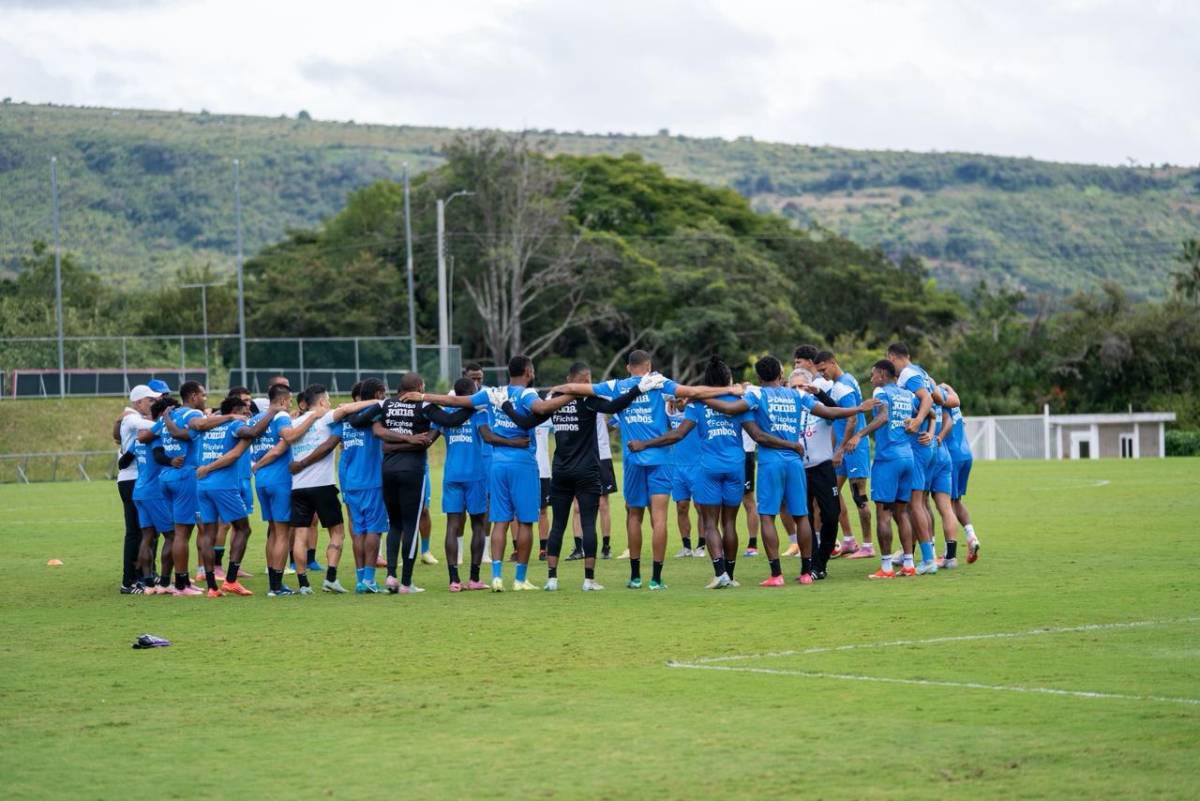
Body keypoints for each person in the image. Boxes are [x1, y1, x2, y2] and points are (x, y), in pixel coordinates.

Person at [556, 350, 735, 589]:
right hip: (661, 459)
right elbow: (694, 392)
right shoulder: (660, 383)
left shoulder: (617, 385)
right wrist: (730, 390)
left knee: (634, 515)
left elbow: (578, 388)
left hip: (633, 459)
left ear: (628, 367)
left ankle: (635, 577)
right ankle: (656, 579)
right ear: (649, 365)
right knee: (659, 519)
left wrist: (550, 391)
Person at [693, 356, 875, 587]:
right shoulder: (797, 395)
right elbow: (829, 413)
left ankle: (776, 574)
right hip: (795, 463)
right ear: (781, 375)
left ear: (759, 377)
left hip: (770, 461)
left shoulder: (757, 395)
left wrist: (700, 396)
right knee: (802, 516)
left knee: (768, 516)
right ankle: (807, 572)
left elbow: (730, 409)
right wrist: (859, 408)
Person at [413, 356, 562, 592]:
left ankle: (495, 577)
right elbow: (542, 409)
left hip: (495, 463)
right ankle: (520, 579)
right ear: (529, 371)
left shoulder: (493, 393)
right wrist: (572, 393)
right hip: (521, 463)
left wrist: (423, 396)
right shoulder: (526, 395)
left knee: (499, 522)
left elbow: (455, 400)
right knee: (524, 522)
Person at [501, 361, 644, 591]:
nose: (590, 384)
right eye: (587, 380)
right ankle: (588, 580)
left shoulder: (553, 400)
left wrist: (507, 407)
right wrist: (639, 389)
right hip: (587, 470)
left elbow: (527, 422)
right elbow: (617, 405)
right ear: (580, 380)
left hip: (560, 470)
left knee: (558, 523)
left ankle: (552, 579)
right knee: (588, 523)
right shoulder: (587, 400)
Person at [371, 373, 476, 593]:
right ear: (419, 388)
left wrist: (394, 445)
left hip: (388, 469)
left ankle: (391, 576)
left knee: (396, 524)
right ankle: (407, 583)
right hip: (412, 470)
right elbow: (450, 421)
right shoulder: (423, 404)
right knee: (411, 524)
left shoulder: (387, 405)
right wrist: (473, 405)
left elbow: (377, 430)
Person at [140, 381, 242, 595]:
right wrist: (229, 417)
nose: (205, 398)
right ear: (194, 396)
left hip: (166, 477)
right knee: (186, 533)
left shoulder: (172, 415)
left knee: (177, 533)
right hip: (186, 476)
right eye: (203, 395)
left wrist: (166, 425)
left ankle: (169, 582)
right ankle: (182, 584)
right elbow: (199, 425)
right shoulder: (188, 414)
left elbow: (145, 436)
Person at [283, 385, 378, 594]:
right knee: (337, 532)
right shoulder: (326, 418)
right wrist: (376, 402)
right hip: (322, 485)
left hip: (298, 486)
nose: (330, 404)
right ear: (322, 402)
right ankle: (331, 578)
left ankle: (304, 584)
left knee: (300, 534)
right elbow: (347, 410)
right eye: (328, 400)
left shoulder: (294, 422)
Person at [844, 360, 917, 579]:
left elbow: (883, 416)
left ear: (883, 375)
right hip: (908, 457)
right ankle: (909, 564)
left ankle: (886, 568)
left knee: (883, 514)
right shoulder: (908, 395)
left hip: (888, 459)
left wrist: (859, 434)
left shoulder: (881, 391)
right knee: (902, 513)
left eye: (873, 374)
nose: (871, 378)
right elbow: (928, 413)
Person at [888, 342, 947, 575]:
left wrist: (916, 421)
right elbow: (935, 403)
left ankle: (928, 559)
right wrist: (931, 430)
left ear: (892, 358)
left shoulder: (908, 374)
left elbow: (928, 400)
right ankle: (921, 550)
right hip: (926, 444)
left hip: (917, 448)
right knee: (920, 502)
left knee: (914, 505)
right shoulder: (922, 373)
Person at [430, 377, 493, 591]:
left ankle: (454, 580)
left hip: (452, 475)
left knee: (452, 525)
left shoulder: (445, 414)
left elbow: (429, 439)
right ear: (472, 393)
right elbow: (487, 436)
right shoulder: (479, 413)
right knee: (478, 524)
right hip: (475, 475)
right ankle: (474, 579)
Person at [813, 351, 875, 560]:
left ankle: (868, 545)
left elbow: (851, 419)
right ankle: (848, 540)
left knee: (859, 496)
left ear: (833, 362)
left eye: (824, 369)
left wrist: (839, 449)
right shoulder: (840, 383)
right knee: (831, 493)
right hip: (841, 447)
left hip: (854, 448)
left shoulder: (844, 385)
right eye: (819, 371)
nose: (823, 374)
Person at [194, 395, 255, 597]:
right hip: (224, 486)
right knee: (243, 529)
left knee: (208, 533)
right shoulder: (234, 425)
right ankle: (230, 580)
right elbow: (235, 454)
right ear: (234, 411)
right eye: (245, 410)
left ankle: (211, 587)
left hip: (202, 485)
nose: (248, 414)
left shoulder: (210, 427)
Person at [339, 378, 390, 593]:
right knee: (374, 530)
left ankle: (361, 580)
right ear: (378, 393)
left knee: (358, 530)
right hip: (373, 481)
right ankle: (369, 578)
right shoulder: (376, 414)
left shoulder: (344, 418)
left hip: (350, 481)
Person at [247, 383, 298, 596]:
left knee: (273, 531)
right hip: (280, 479)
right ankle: (276, 586)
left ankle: (273, 583)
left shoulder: (254, 420)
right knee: (283, 533)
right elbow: (282, 446)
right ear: (284, 401)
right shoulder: (282, 417)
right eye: (290, 400)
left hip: (262, 481)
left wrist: (257, 466)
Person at [116, 384, 161, 593]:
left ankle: (146, 576)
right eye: (150, 400)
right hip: (131, 480)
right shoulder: (130, 417)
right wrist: (167, 420)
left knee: (147, 532)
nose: (153, 403)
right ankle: (129, 582)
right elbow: (145, 425)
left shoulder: (137, 419)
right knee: (135, 532)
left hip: (140, 479)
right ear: (138, 402)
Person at [131, 396, 177, 594]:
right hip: (154, 492)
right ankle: (165, 582)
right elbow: (158, 455)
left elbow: (124, 461)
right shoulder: (157, 435)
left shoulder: (141, 437)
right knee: (173, 536)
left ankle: (148, 584)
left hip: (139, 491)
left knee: (147, 536)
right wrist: (171, 461)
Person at [939, 382, 981, 564]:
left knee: (945, 504)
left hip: (952, 455)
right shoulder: (952, 398)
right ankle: (971, 535)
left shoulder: (938, 400)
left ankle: (948, 553)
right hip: (966, 454)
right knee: (956, 501)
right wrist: (947, 386)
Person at [667, 397, 703, 557]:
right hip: (676, 466)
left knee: (701, 507)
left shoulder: (695, 411)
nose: (678, 402)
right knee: (681, 506)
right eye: (675, 399)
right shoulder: (668, 412)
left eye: (681, 399)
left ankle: (701, 546)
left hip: (697, 465)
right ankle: (686, 546)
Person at [740, 431, 761, 557]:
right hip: (725, 452)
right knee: (724, 502)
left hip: (746, 453)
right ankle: (723, 544)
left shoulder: (748, 410)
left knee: (748, 500)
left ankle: (752, 544)